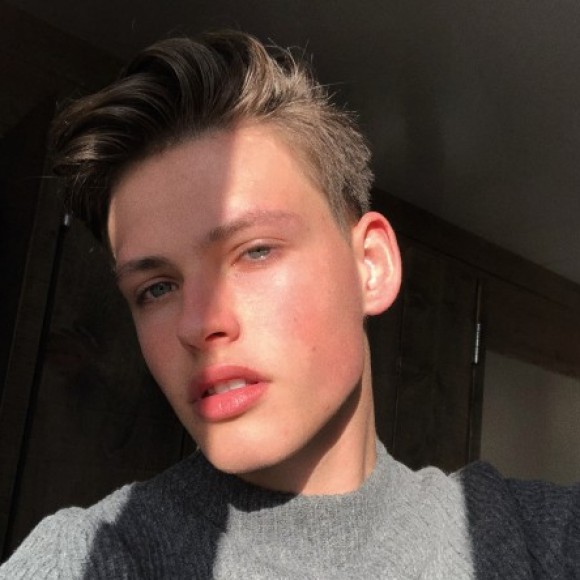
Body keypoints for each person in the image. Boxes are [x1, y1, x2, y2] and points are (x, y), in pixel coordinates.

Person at [1, 30, 578, 579]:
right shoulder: (94, 554)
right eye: (156, 288)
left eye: (254, 252)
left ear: (371, 266)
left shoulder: (538, 537)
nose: (199, 324)